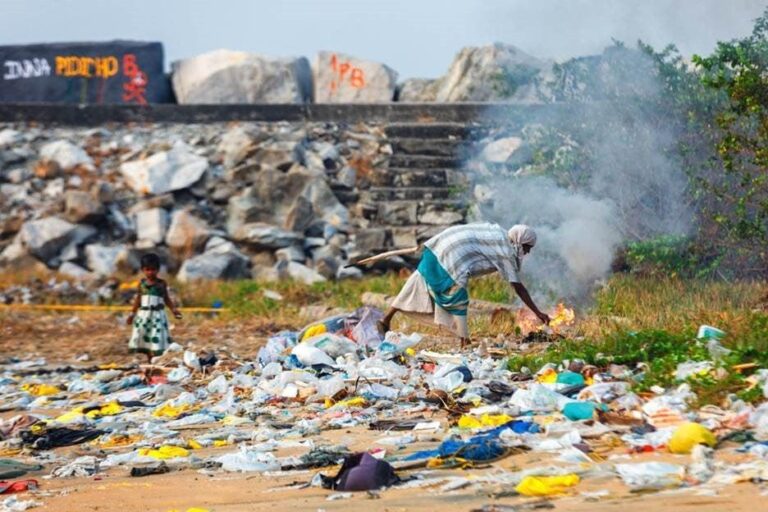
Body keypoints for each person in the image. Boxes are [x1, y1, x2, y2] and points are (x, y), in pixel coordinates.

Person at [379, 223, 550, 348]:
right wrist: (538, 313)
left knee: (418, 279)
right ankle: (464, 340)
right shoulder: (506, 252)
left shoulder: (500, 234)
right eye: (527, 247)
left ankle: (385, 319)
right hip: (454, 254)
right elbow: (518, 287)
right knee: (458, 297)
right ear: (519, 241)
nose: (527, 252)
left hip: (442, 243)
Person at [127, 253, 182, 361]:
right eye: (147, 269)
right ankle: (149, 359)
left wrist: (174, 310)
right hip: (144, 315)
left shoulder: (161, 284)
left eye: (153, 269)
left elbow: (166, 298)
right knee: (145, 335)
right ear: (143, 270)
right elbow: (138, 300)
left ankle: (155, 360)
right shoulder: (142, 284)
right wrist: (132, 314)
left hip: (158, 315)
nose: (150, 272)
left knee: (156, 335)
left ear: (158, 270)